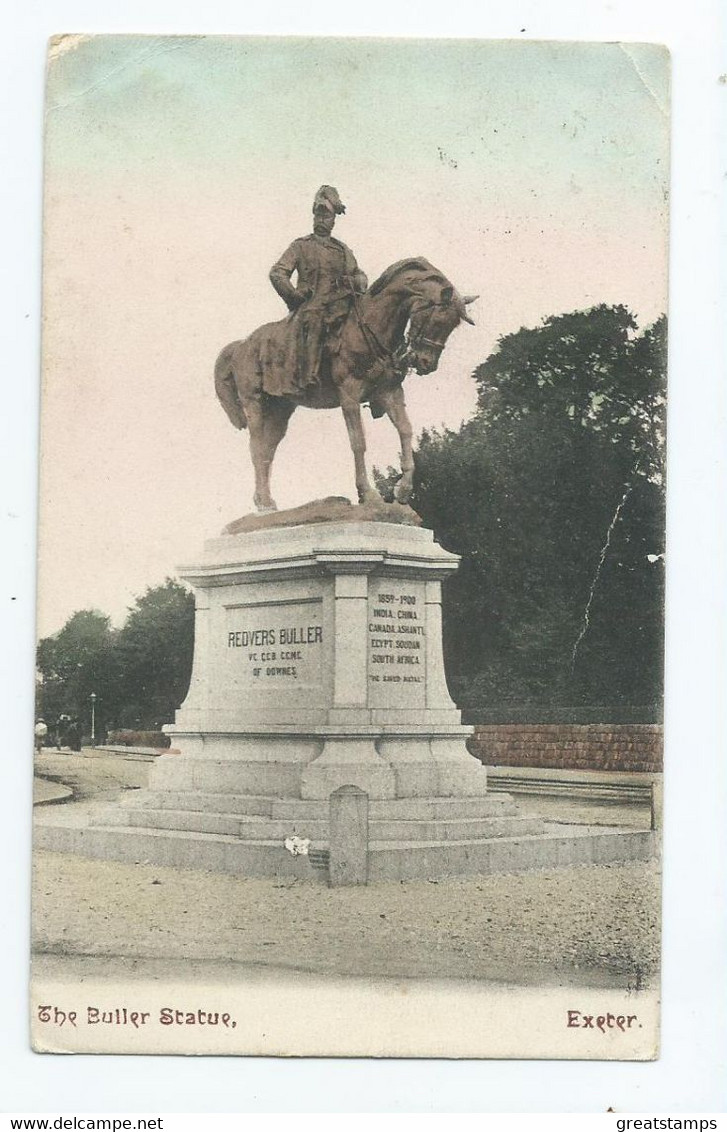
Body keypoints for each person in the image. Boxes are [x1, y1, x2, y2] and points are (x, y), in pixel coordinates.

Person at [269, 185, 368, 389]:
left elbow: (359, 275)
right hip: (311, 308)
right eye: (318, 215)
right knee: (315, 321)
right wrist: (294, 296)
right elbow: (277, 273)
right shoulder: (301, 246)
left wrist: (356, 282)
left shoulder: (342, 250)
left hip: (342, 306)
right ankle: (308, 377)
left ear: (333, 220)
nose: (321, 220)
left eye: (327, 216)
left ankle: (377, 378)